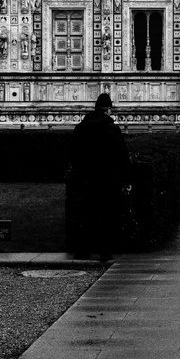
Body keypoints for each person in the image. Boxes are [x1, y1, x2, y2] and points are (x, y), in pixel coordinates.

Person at [69, 93, 129, 262]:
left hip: (86, 177)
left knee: (86, 213)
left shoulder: (81, 127)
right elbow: (122, 155)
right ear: (108, 109)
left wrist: (80, 170)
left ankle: (82, 250)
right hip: (108, 179)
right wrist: (126, 179)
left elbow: (73, 153)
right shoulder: (111, 128)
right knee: (107, 214)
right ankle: (104, 251)